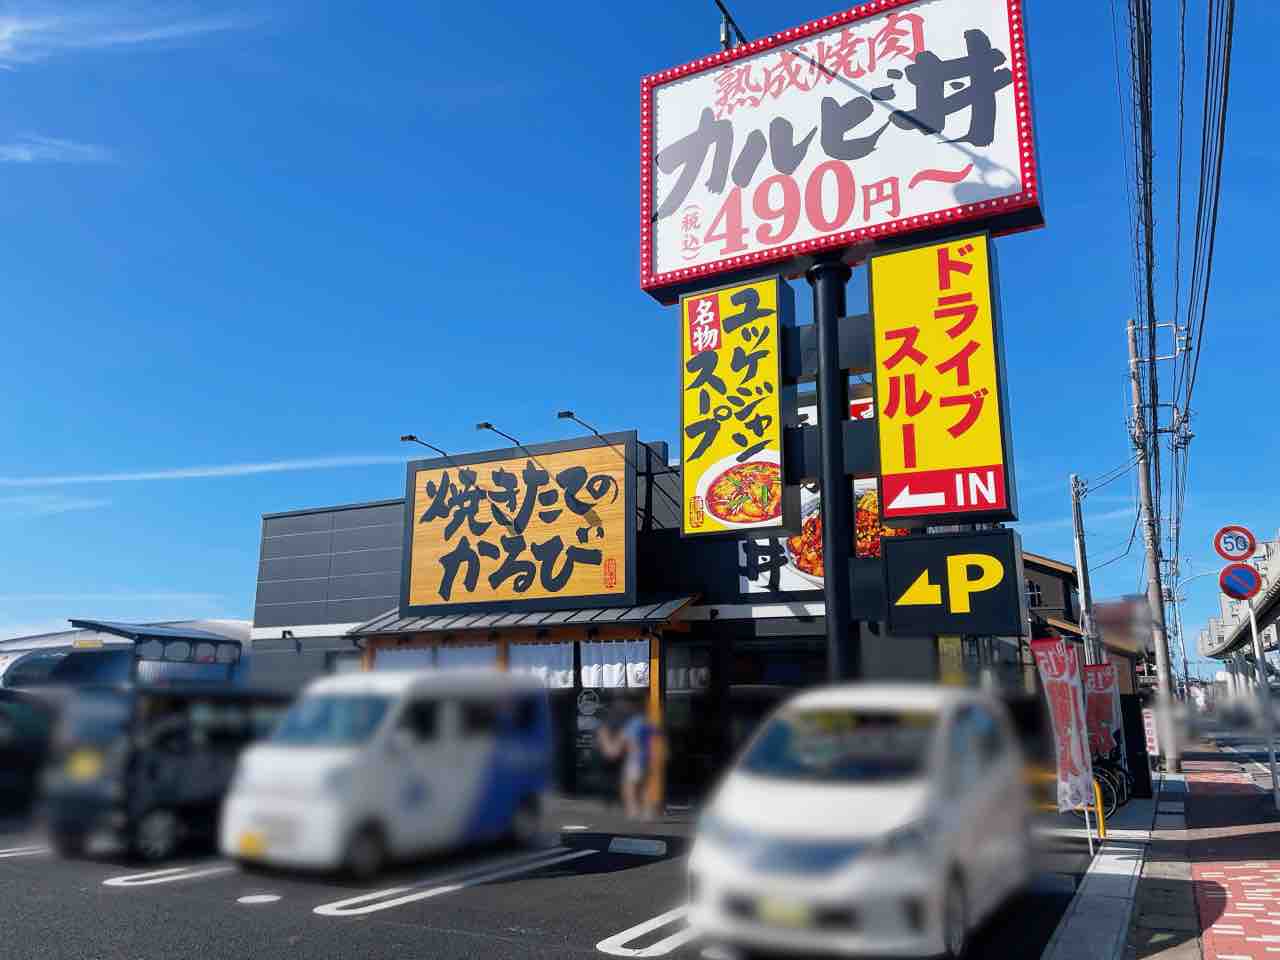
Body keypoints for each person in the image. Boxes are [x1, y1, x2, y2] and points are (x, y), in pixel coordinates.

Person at [597, 700, 653, 819]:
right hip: (647, 758)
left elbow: (624, 738)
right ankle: (647, 811)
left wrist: (613, 750)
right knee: (643, 785)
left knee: (629, 785)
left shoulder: (633, 723)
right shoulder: (646, 722)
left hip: (635, 759)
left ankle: (633, 811)